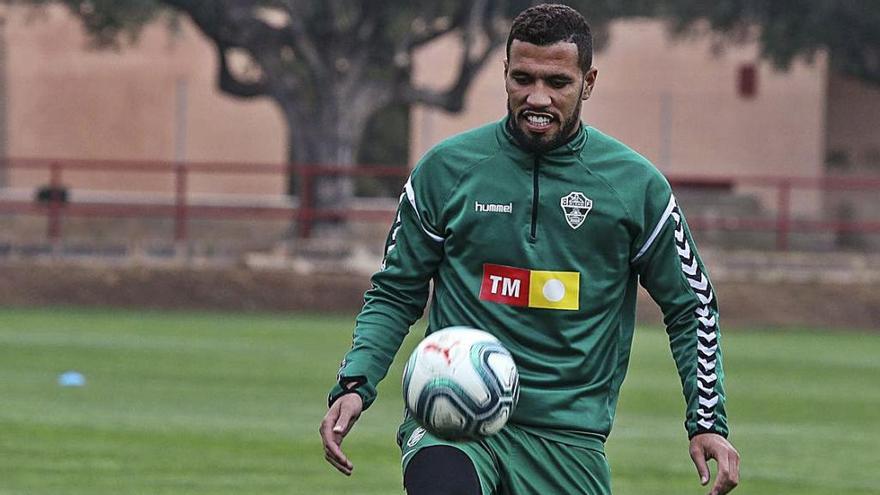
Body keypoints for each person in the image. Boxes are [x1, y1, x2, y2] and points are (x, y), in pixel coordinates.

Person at [320, 4, 740, 494]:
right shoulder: (446, 172)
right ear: (504, 74)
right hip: (453, 422)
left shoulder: (634, 188)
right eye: (522, 78)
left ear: (589, 81)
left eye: (557, 82)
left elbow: (691, 305)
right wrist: (355, 384)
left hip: (569, 437)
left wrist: (706, 419)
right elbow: (395, 292)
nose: (536, 97)